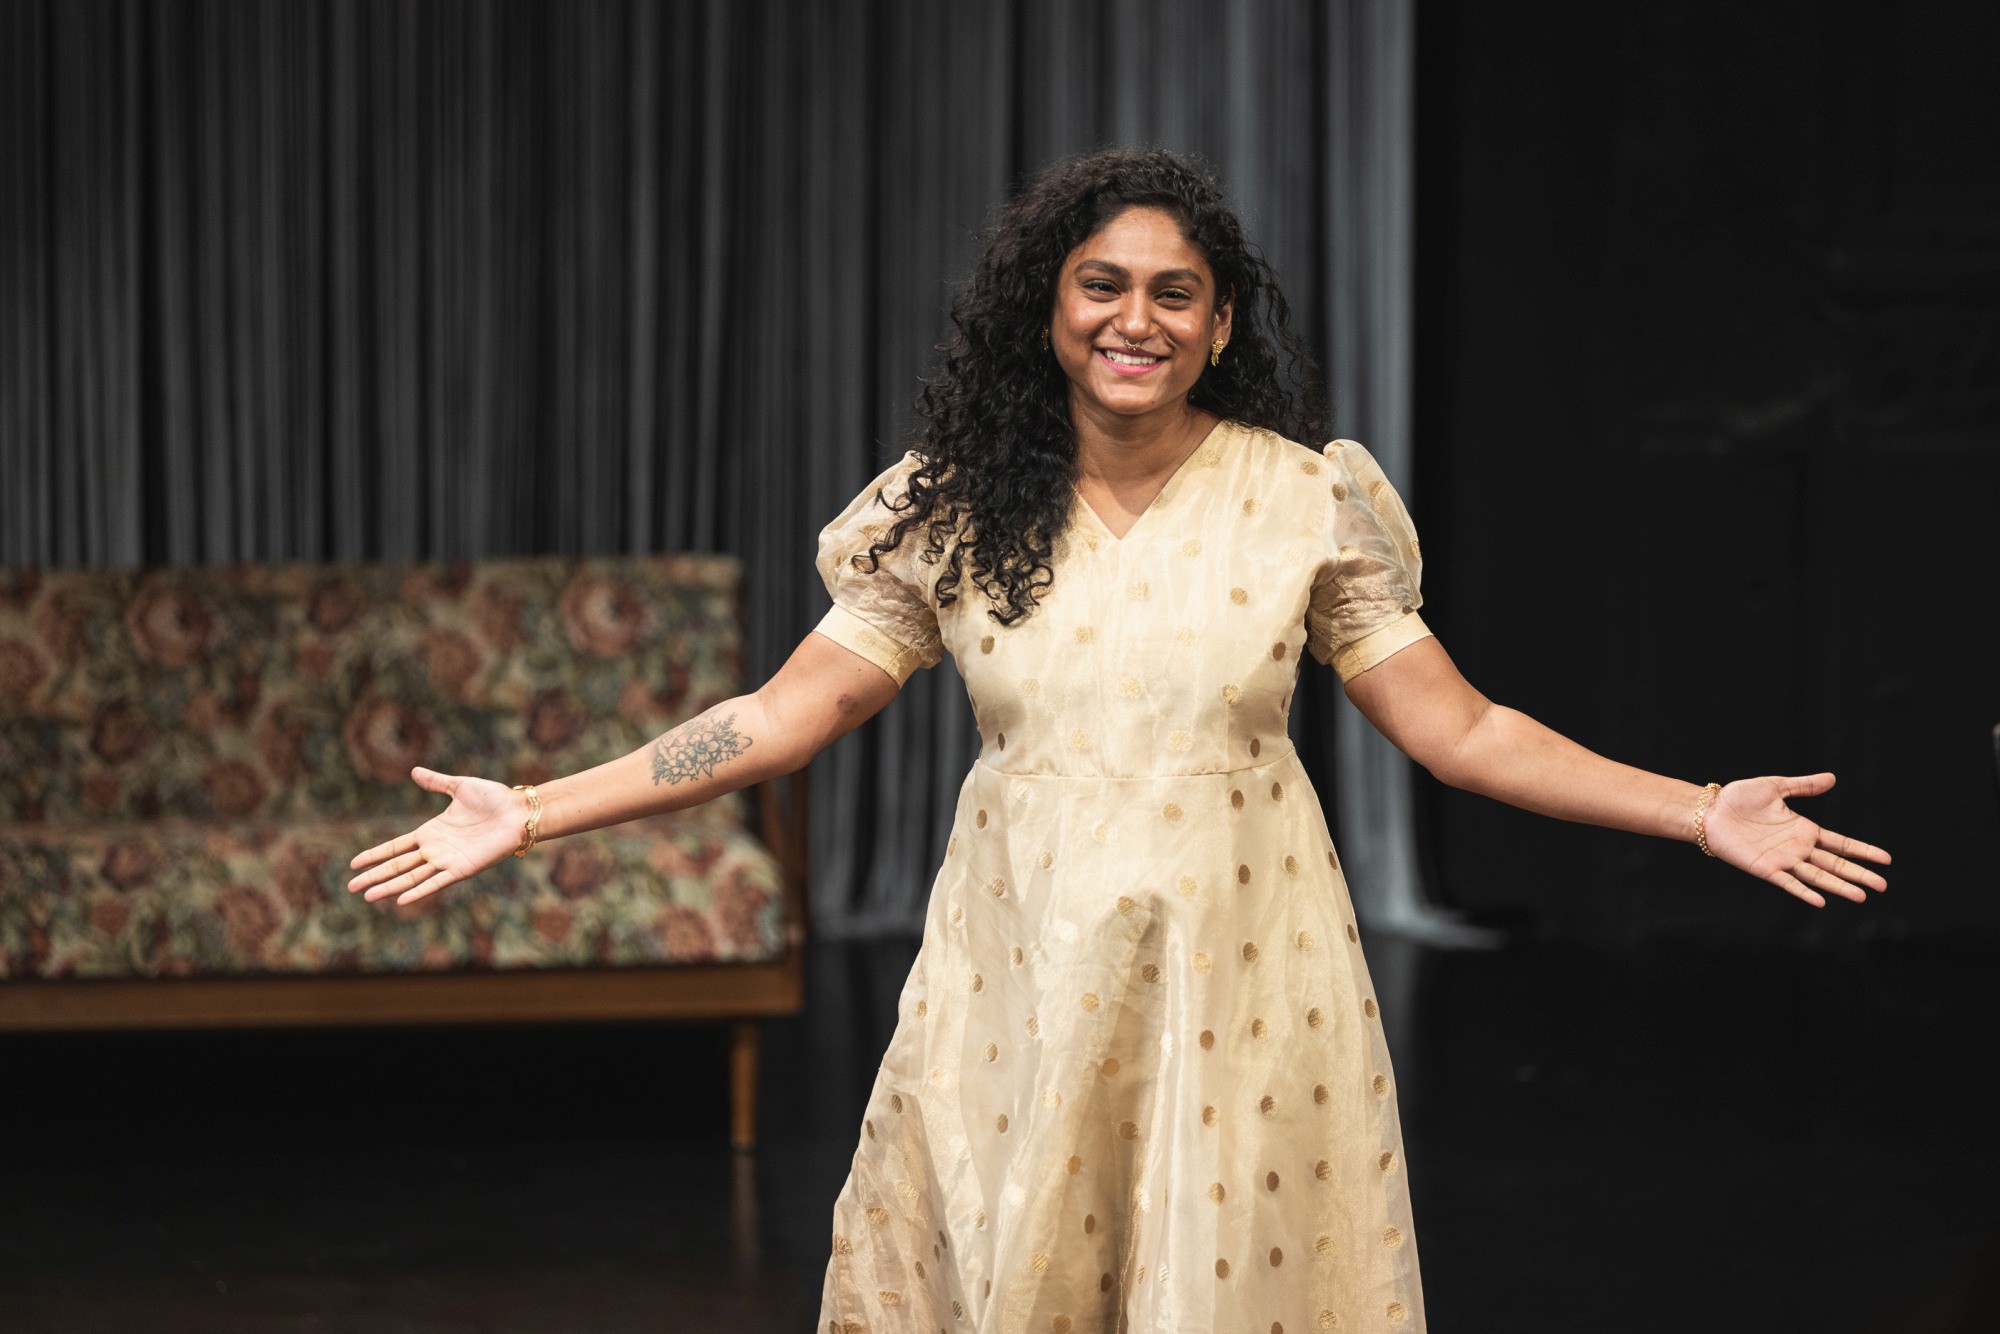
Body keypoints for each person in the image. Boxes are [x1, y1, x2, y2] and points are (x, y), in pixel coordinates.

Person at [346, 147, 1892, 1333]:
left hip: (1243, 971)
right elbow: (781, 713)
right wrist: (533, 809)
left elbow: (1465, 730)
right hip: (1021, 964)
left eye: (1173, 292)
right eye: (1102, 285)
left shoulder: (1303, 500)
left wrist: (1698, 809)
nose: (1134, 318)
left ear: (1216, 327)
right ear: (1051, 308)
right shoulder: (950, 508)